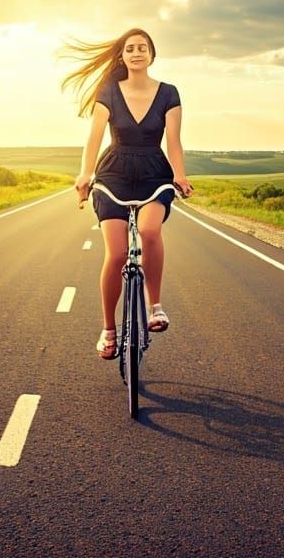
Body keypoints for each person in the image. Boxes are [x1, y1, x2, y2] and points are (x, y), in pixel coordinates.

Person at [61, 27, 193, 359]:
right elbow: (93, 138)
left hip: (154, 174)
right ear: (122, 56)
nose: (136, 52)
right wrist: (84, 174)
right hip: (113, 175)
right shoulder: (108, 92)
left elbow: (173, 140)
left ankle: (155, 307)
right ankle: (108, 330)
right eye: (130, 48)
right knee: (117, 253)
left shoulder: (169, 94)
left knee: (150, 231)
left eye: (142, 47)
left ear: (152, 54)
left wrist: (179, 175)